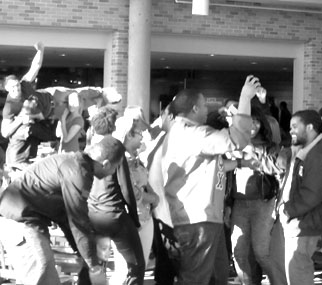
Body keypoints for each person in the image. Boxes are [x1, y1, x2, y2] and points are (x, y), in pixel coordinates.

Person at [161, 75, 260, 285]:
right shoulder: (195, 134)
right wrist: (245, 99)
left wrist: (241, 165)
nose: (208, 110)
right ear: (195, 109)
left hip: (197, 218)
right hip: (198, 220)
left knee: (216, 275)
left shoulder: (174, 133)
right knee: (196, 278)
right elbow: (237, 139)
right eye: (204, 105)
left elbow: (205, 166)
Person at [0, 135, 125, 285]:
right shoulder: (78, 172)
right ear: (106, 164)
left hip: (24, 218)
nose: (114, 173)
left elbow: (65, 216)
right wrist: (92, 264)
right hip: (20, 219)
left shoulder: (79, 164)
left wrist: (83, 253)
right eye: (116, 167)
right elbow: (77, 220)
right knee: (44, 273)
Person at [86, 106, 145, 285]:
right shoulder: (114, 146)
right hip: (114, 214)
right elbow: (125, 187)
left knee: (98, 265)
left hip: (93, 214)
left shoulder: (88, 149)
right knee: (135, 264)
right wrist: (134, 218)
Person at [229, 106, 282, 285]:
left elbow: (277, 170)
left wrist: (252, 150)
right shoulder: (232, 144)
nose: (252, 125)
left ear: (262, 124)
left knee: (262, 252)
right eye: (248, 120)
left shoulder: (270, 147)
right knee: (239, 253)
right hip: (239, 203)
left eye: (256, 121)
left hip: (263, 203)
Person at [111, 114, 159, 284]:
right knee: (128, 269)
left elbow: (142, 183)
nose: (142, 137)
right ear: (128, 135)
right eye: (139, 133)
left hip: (143, 218)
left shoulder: (134, 158)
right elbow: (131, 192)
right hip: (130, 220)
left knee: (139, 268)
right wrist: (152, 198)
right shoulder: (121, 160)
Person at [278, 109, 322, 285]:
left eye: (295, 126)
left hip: (305, 224)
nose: (290, 131)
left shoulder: (317, 154)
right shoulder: (308, 150)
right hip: (303, 221)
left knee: (298, 273)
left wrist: (288, 210)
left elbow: (313, 193)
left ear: (310, 127)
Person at [1, 42, 56, 171]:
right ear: (7, 89)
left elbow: (35, 67)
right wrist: (20, 119)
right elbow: (4, 133)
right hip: (43, 116)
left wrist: (40, 50)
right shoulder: (9, 107)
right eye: (12, 87)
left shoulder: (24, 84)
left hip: (50, 96)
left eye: (17, 85)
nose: (16, 89)